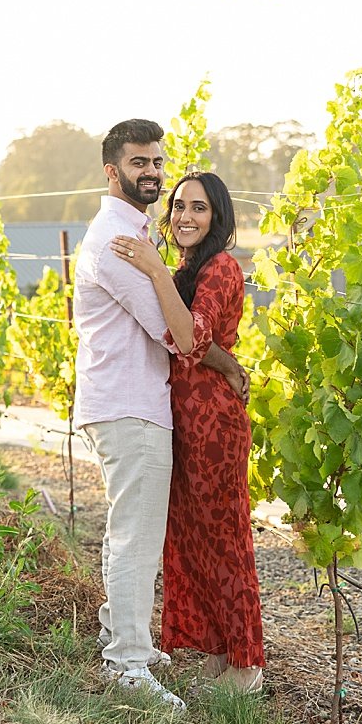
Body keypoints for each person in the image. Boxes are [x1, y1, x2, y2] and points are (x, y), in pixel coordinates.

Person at [73, 120, 249, 709]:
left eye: (156, 162)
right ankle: (126, 663)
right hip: (131, 406)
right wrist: (226, 365)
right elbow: (178, 336)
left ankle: (123, 641)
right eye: (138, 163)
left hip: (128, 403)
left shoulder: (133, 236)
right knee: (136, 539)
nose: (150, 172)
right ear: (111, 170)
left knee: (130, 532)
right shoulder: (122, 245)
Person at [109, 170, 265, 694]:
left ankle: (246, 665)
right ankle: (220, 651)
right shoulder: (187, 269)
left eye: (198, 208)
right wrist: (227, 361)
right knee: (192, 537)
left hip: (214, 422)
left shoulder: (220, 267)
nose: (184, 217)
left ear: (218, 216)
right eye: (178, 207)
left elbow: (192, 340)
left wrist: (153, 270)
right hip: (183, 417)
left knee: (224, 538)